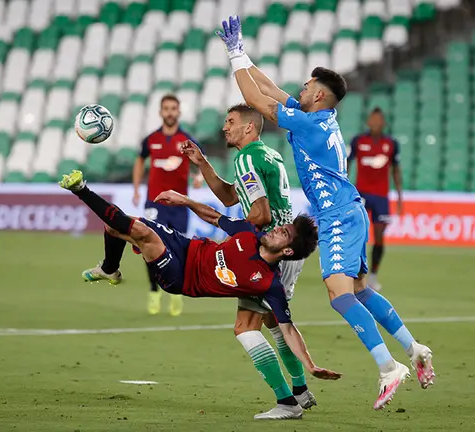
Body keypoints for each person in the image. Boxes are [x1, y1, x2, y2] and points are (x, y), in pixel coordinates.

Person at [216, 15, 435, 410]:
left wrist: (232, 57)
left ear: (318, 95)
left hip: (336, 215)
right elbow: (268, 88)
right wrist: (242, 54)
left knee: (339, 294)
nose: (300, 89)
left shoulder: (309, 125)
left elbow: (255, 100)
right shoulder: (320, 119)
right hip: (351, 211)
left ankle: (388, 367)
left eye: (306, 86)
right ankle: (413, 347)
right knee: (361, 290)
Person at [58, 169, 341, 420]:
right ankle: (109, 269)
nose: (277, 228)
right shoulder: (247, 233)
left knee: (141, 233)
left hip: (180, 277)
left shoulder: (268, 283)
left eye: (284, 233)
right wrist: (185, 200)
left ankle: (81, 190)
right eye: (282, 226)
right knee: (117, 225)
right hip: (184, 246)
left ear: (287, 250)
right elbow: (215, 218)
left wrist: (311, 365)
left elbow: (288, 328)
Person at [180, 103, 315, 419]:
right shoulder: (268, 155)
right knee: (273, 322)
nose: (225, 127)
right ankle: (300, 388)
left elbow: (260, 214)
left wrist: (236, 237)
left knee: (245, 327)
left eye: (231, 121)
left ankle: (287, 403)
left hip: (268, 253)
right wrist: (203, 163)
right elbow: (231, 196)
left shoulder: (245, 158)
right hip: (286, 250)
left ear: (249, 127)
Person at [81, 94, 204, 317]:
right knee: (148, 246)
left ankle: (175, 293)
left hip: (179, 203)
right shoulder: (151, 139)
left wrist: (198, 176)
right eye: (166, 108)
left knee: (179, 250)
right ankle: (153, 290)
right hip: (154, 203)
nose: (169, 112)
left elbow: (199, 163)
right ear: (160, 112)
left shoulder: (187, 140)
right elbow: (140, 161)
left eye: (173, 108)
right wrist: (137, 188)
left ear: (178, 112)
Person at [348, 107, 404, 291]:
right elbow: (347, 162)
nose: (376, 122)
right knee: (358, 234)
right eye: (373, 119)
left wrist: (400, 197)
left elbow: (396, 170)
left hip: (381, 197)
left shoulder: (391, 144)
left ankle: (373, 275)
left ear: (384, 123)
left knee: (379, 237)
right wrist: (345, 188)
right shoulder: (358, 141)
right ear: (368, 122)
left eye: (379, 119)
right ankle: (354, 272)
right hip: (361, 194)